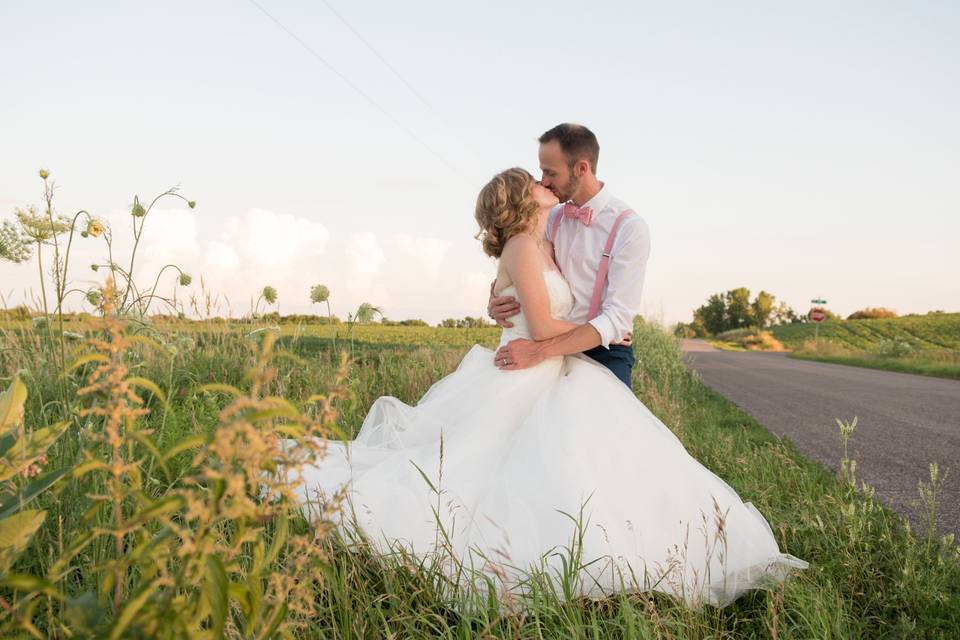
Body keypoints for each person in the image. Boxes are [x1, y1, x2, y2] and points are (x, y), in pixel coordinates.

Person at [288, 167, 808, 608]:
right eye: (533, 180)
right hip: (530, 366)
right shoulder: (521, 245)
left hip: (557, 364)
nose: (544, 182)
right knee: (504, 467)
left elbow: (532, 302)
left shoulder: (544, 236)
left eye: (547, 174)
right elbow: (538, 327)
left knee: (592, 461)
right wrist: (603, 331)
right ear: (522, 198)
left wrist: (578, 326)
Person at [489, 123, 647, 387]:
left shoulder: (629, 228)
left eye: (550, 172)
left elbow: (618, 318)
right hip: (546, 341)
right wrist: (497, 299)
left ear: (581, 168)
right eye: (541, 172)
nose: (544, 181)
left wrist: (538, 351)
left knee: (613, 423)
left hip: (604, 348)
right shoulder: (548, 216)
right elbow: (522, 268)